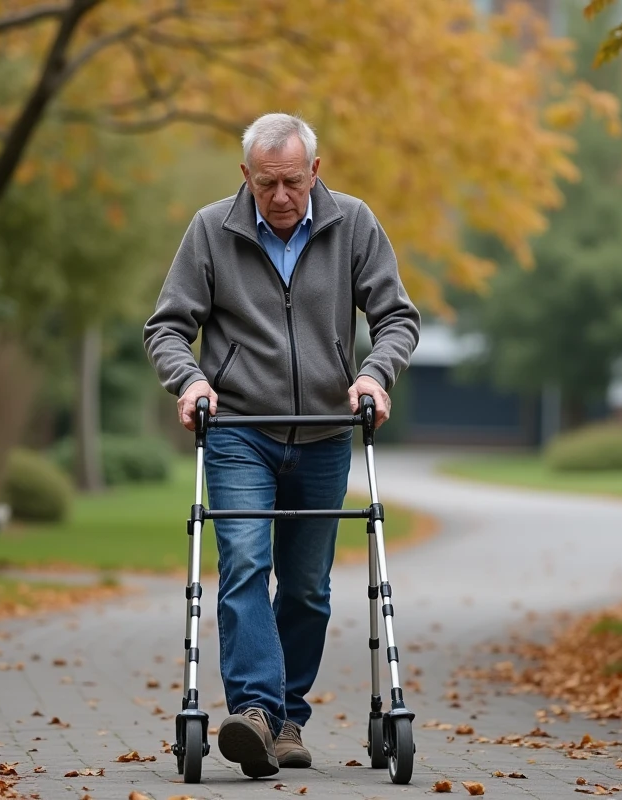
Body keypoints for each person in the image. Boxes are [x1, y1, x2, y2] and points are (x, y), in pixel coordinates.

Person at [143, 112, 420, 778]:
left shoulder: (353, 224)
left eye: (292, 181)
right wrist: (190, 382)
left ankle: (286, 717)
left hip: (327, 433)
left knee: (305, 589)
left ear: (315, 173)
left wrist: (374, 375)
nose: (280, 197)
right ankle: (258, 714)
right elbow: (167, 328)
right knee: (242, 562)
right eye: (266, 183)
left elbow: (396, 318)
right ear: (246, 176)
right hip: (240, 431)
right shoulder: (212, 230)